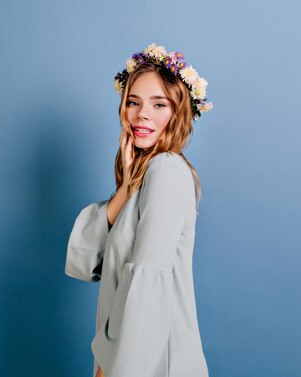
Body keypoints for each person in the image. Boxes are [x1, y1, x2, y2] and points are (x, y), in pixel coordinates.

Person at [65, 43, 214, 377]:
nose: (142, 114)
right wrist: (125, 189)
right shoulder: (146, 178)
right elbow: (85, 260)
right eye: (134, 102)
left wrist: (110, 371)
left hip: (151, 363)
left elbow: (147, 285)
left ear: (178, 112)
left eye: (158, 104)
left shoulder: (165, 170)